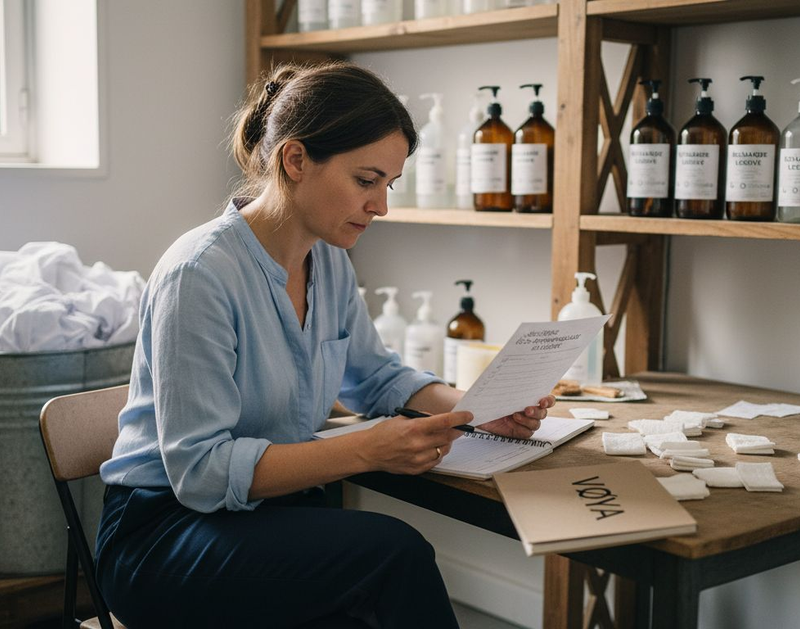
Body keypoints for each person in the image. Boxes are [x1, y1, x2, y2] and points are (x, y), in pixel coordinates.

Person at [94, 61, 555, 628]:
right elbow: (203, 472)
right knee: (392, 556)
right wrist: (366, 449)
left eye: (389, 184)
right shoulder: (200, 274)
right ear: (295, 160)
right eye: (366, 181)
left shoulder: (329, 261)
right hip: (163, 534)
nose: (381, 206)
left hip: (264, 516)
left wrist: (482, 408)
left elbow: (377, 376)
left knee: (368, 589)